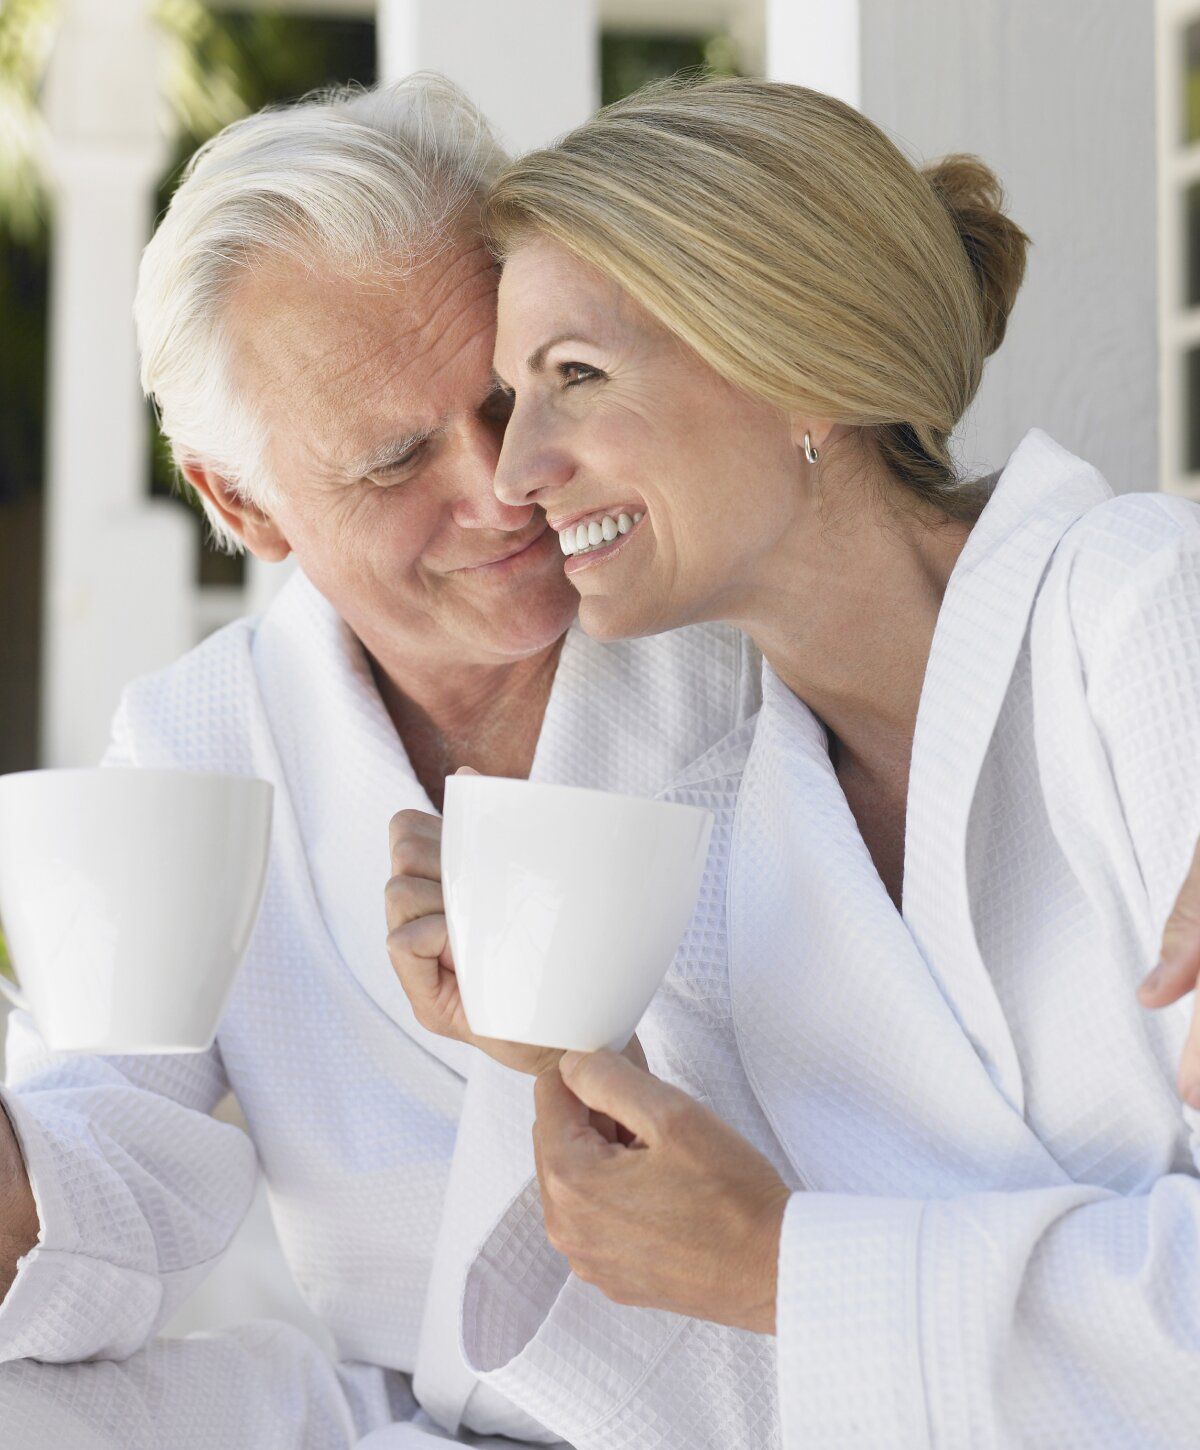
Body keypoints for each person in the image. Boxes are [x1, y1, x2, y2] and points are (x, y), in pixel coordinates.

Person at [388, 78, 1200, 1446]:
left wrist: (790, 1267)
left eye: (576, 375)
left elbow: (788, 1295)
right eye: (510, 395)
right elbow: (731, 1398)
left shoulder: (1139, 614)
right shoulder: (719, 845)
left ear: (803, 369)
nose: (517, 466)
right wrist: (553, 1046)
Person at [0, 77, 762, 1449]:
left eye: (509, 392)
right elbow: (108, 1140)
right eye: (398, 455)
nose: (503, 484)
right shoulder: (201, 738)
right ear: (240, 499)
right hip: (415, 1415)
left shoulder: (735, 640)